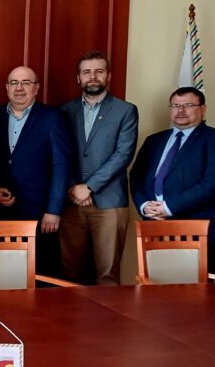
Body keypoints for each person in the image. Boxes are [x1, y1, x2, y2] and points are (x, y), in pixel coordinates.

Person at [59, 51, 138, 285]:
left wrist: (89, 187)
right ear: (78, 78)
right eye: (86, 72)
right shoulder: (64, 111)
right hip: (71, 202)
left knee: (108, 275)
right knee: (71, 274)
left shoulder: (126, 110)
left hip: (109, 203)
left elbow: (123, 155)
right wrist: (74, 187)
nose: (92, 77)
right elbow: (60, 156)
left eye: (99, 71)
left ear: (108, 75)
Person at [0, 66, 73, 277]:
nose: (19, 88)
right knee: (3, 274)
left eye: (26, 83)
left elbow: (61, 167)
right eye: (14, 83)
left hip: (40, 215)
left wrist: (53, 210)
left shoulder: (54, 118)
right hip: (2, 214)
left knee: (40, 275)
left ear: (36, 88)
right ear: (7, 87)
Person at [130, 87, 215, 272]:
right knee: (155, 282)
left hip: (195, 227)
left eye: (188, 105)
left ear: (203, 109)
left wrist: (169, 207)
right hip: (153, 225)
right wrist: (144, 205)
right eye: (175, 106)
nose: (180, 111)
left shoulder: (213, 139)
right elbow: (136, 177)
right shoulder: (154, 140)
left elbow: (212, 184)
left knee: (194, 287)